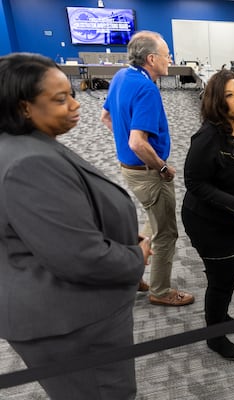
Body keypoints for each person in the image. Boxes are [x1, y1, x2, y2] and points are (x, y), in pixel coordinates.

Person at [0, 53, 151, 399]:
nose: (75, 104)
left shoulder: (25, 147)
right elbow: (81, 257)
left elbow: (49, 227)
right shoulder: (30, 163)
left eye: (71, 93)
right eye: (60, 99)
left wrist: (118, 232)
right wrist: (135, 255)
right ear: (24, 108)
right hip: (71, 324)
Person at [101, 30, 194, 306]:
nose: (170, 59)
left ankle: (133, 275)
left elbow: (106, 117)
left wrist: (126, 143)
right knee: (166, 233)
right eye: (167, 55)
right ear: (152, 59)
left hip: (130, 171)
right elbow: (137, 142)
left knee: (151, 225)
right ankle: (161, 291)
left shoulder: (121, 76)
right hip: (148, 174)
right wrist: (162, 168)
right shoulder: (146, 88)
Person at [181, 69, 234, 361]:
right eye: (229, 96)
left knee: (231, 274)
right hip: (211, 223)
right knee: (220, 278)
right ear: (218, 102)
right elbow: (193, 183)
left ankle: (221, 315)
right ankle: (214, 336)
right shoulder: (209, 136)